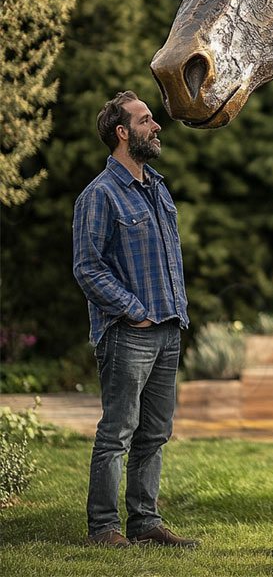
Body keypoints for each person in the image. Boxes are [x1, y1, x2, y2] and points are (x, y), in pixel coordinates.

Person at [72, 90, 197, 548]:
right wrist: (135, 312)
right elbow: (87, 267)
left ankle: (145, 523)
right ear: (123, 133)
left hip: (168, 330)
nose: (157, 126)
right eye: (146, 120)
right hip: (130, 333)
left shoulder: (158, 187)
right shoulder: (99, 195)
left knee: (155, 433)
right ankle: (103, 528)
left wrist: (172, 313)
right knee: (117, 433)